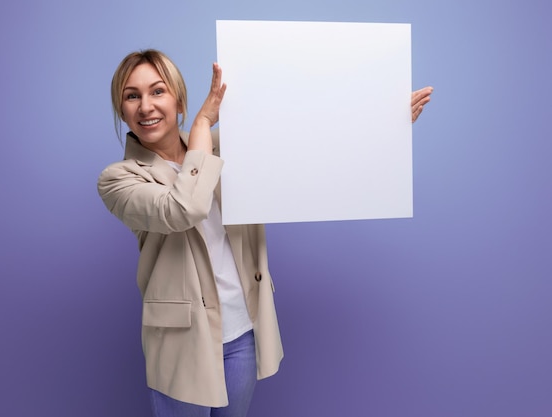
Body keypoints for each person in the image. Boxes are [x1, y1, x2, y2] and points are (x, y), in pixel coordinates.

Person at [97, 49, 432, 417]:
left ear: (178, 99)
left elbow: (307, 144)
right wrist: (200, 128)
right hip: (182, 343)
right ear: (122, 110)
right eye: (132, 96)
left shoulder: (231, 145)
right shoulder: (119, 179)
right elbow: (185, 208)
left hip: (242, 332)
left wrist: (383, 120)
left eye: (157, 91)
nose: (146, 106)